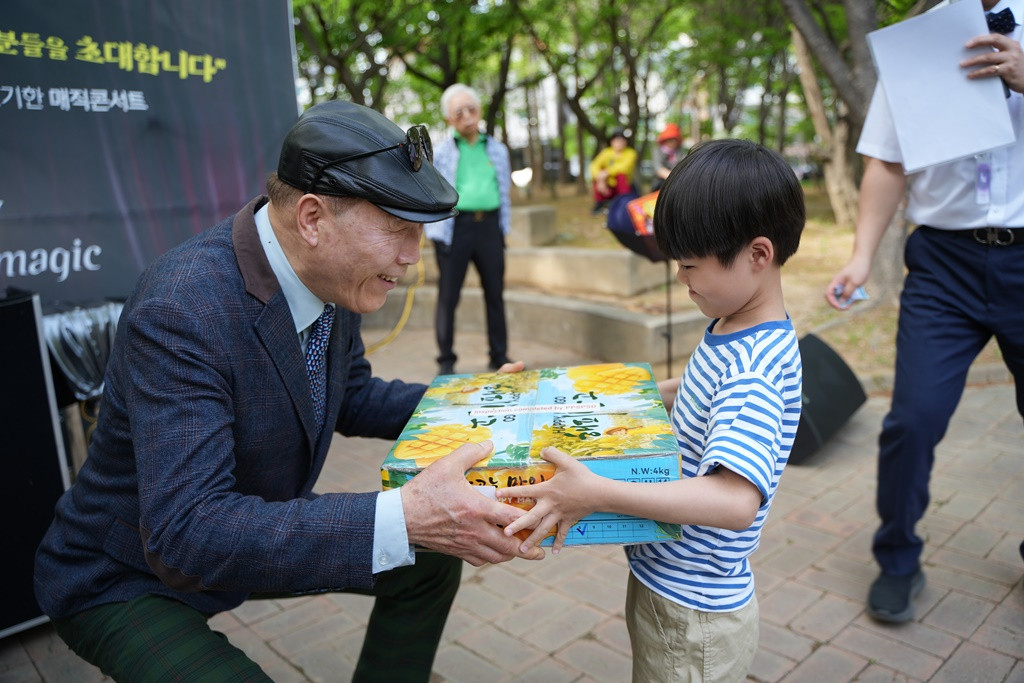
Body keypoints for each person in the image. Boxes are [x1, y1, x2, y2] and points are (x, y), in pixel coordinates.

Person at [33, 99, 544, 682]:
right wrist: (403, 516)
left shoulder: (331, 274)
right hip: (124, 575)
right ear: (312, 219)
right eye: (397, 229)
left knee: (428, 562)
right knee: (409, 534)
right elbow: (189, 529)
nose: (412, 255)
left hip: (232, 545)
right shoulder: (181, 308)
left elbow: (350, 394)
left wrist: (471, 402)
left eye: (419, 232)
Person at [501, 139, 805, 682]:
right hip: (672, 589)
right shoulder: (736, 325)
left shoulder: (754, 369)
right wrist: (607, 393)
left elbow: (735, 500)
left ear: (758, 255)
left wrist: (597, 492)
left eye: (689, 265)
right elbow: (698, 389)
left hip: (692, 612)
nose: (681, 280)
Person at [825, 0, 1024, 624]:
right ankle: (897, 560)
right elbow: (887, 161)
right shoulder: (916, 41)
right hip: (943, 264)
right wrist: (861, 257)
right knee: (911, 420)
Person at [426, 83, 513, 376]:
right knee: (448, 296)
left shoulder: (497, 149)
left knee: (495, 294)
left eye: (471, 109)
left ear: (479, 111)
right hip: (455, 228)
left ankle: (499, 355)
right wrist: (436, 233)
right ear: (449, 119)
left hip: (490, 227)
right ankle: (446, 360)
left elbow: (504, 191)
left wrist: (503, 229)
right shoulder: (441, 151)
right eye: (458, 112)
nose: (466, 116)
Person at [589, 128, 638, 214]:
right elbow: (594, 165)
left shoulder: (631, 153)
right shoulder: (606, 152)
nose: (619, 142)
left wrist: (606, 173)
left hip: (623, 185)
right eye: (617, 140)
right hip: (607, 185)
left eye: (622, 140)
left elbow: (624, 167)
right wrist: (600, 177)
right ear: (612, 142)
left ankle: (624, 201)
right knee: (599, 173)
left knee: (621, 175)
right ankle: (600, 203)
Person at [650, 122, 684, 191]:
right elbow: (658, 168)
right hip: (660, 185)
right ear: (664, 140)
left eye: (674, 140)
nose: (672, 142)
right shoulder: (657, 151)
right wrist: (674, 176)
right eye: (670, 140)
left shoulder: (679, 153)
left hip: (677, 184)